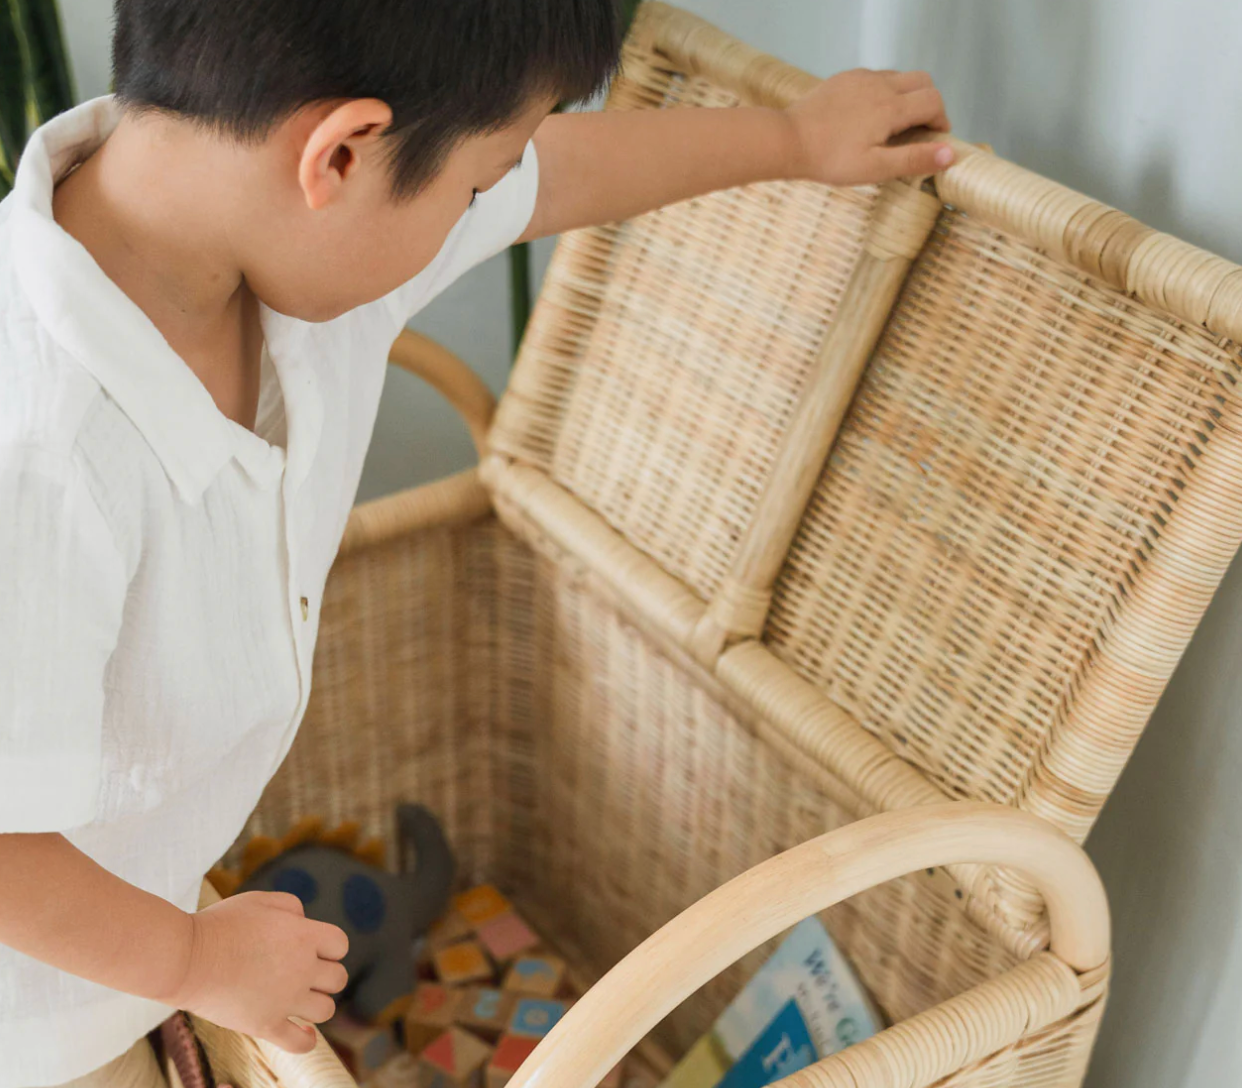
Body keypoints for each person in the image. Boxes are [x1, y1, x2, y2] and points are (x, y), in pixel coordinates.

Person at [0, 1, 953, 1084]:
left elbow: (559, 170)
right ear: (345, 151)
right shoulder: (38, 452)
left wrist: (792, 141)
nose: (484, 204)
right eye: (474, 182)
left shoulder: (277, 221)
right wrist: (187, 956)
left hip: (129, 944)